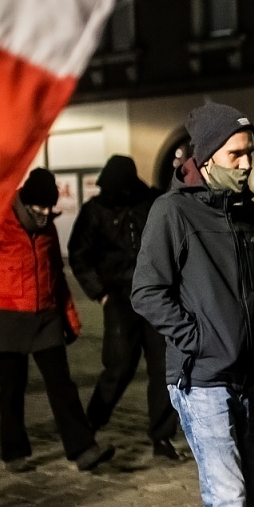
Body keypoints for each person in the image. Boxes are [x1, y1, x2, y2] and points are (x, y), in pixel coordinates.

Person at [133, 101, 254, 507]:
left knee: (248, 496)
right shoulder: (172, 213)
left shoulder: (247, 212)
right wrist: (197, 339)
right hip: (200, 380)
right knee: (228, 498)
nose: (246, 164)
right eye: (237, 154)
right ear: (207, 155)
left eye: (249, 154)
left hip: (243, 374)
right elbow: (147, 292)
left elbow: (252, 292)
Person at [0, 168, 114, 472]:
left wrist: (69, 319)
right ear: (25, 203)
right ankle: (14, 452)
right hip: (6, 318)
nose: (45, 213)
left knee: (62, 385)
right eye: (39, 208)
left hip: (45, 317)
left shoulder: (48, 230)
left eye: (49, 208)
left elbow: (56, 274)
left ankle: (83, 449)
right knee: (12, 388)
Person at [69, 154, 181, 460]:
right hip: (119, 297)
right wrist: (100, 292)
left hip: (157, 296)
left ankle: (162, 438)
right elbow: (79, 252)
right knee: (118, 367)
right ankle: (90, 425)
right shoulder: (96, 210)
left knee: (164, 368)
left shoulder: (153, 203)